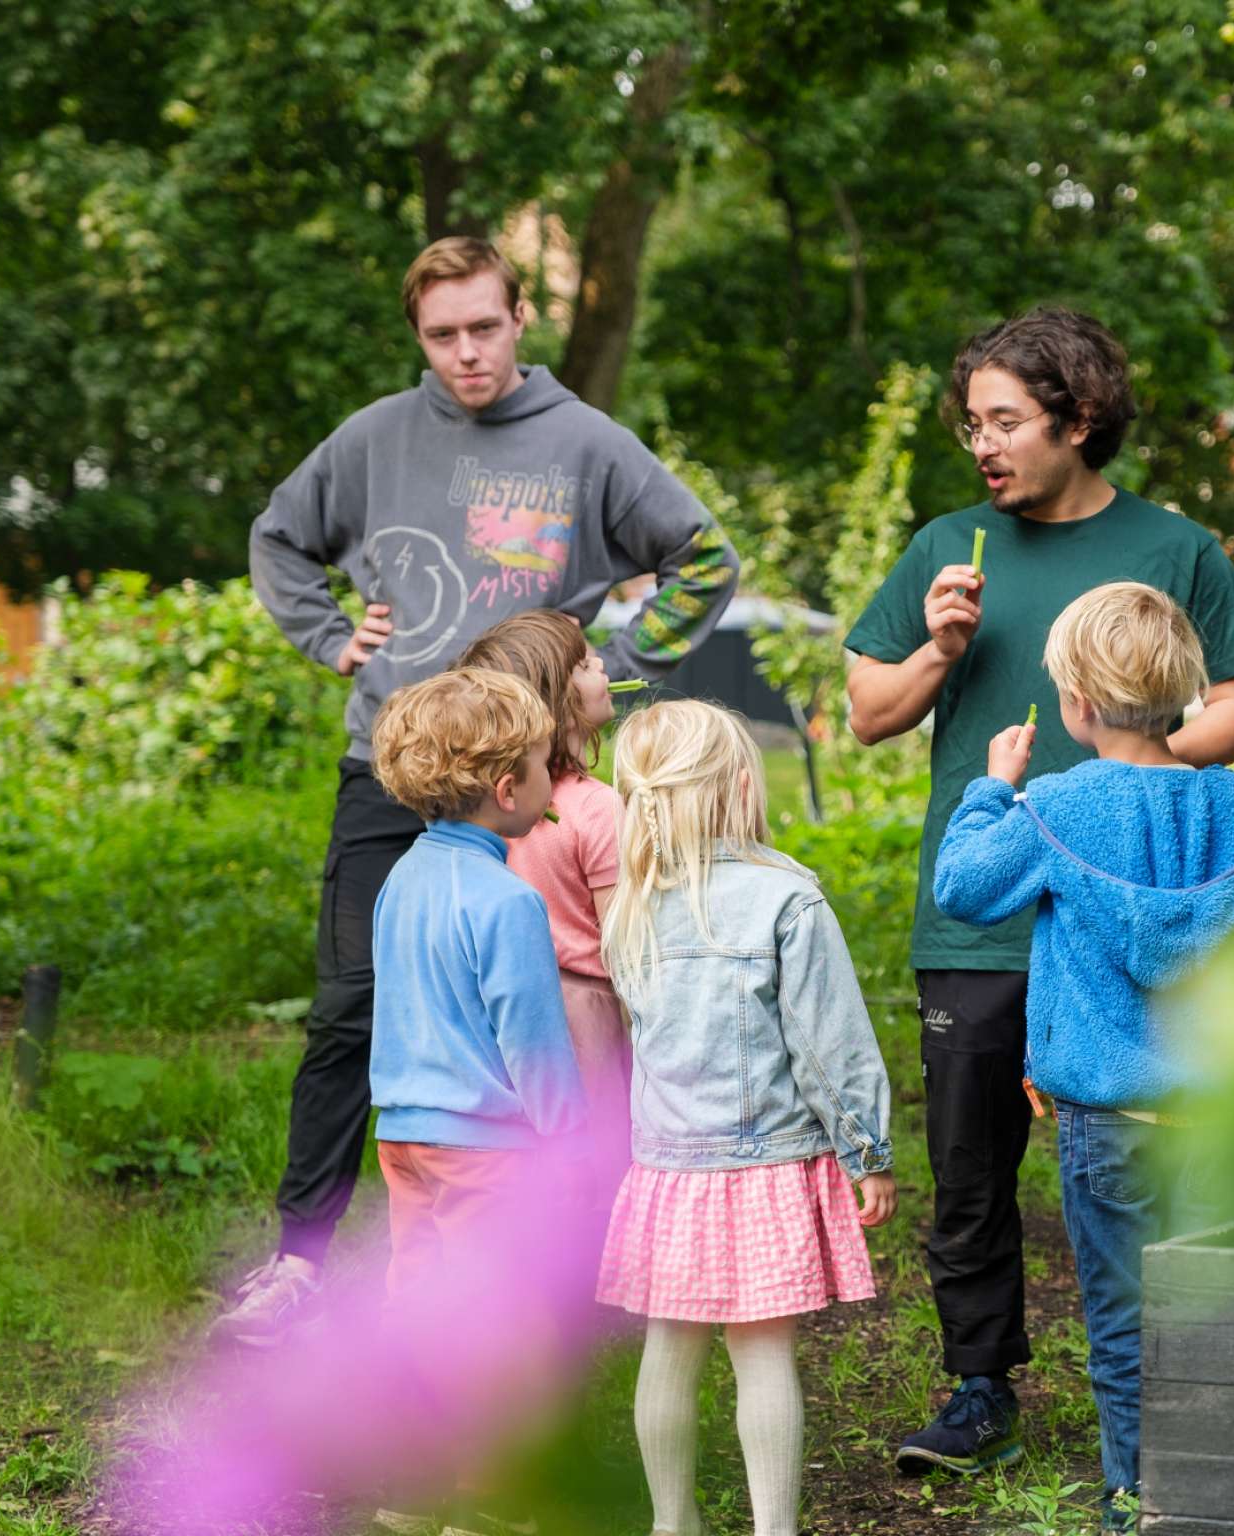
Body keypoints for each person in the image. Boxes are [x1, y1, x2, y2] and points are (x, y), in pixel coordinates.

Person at [226, 235, 738, 1344]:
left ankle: (582, 1241)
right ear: (419, 335)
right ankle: (300, 1261)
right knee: (349, 1006)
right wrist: (329, 634)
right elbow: (278, 538)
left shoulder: (585, 445)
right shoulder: (372, 438)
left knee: (569, 990)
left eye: (483, 326)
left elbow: (702, 556)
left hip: (529, 782)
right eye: (441, 333)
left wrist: (613, 665)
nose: (465, 351)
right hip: (391, 770)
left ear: (519, 318)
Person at [842, 307, 1234, 1472]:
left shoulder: (1177, 549)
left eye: (1005, 421)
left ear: (1076, 419)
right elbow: (866, 714)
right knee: (970, 1171)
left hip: (1115, 918)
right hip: (978, 919)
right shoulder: (946, 545)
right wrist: (934, 649)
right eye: (970, 423)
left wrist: (1121, 788)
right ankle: (980, 1392)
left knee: (1154, 1151)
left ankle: (1182, 1383)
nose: (981, 445)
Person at [931, 581, 1234, 1529]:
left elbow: (961, 888)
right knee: (1211, 1310)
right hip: (1211, 1113)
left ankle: (1136, 1498)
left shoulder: (1052, 809)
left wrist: (990, 787)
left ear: (1075, 704)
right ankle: (1217, 1492)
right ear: (1184, 694)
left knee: (1124, 1321)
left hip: (1105, 1122)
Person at [595, 700, 896, 1536]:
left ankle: (671, 1524)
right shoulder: (787, 901)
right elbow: (831, 1046)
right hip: (764, 1170)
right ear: (736, 785)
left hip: (668, 1172)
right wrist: (866, 1150)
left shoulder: (630, 911)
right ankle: (774, 1531)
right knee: (763, 1358)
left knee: (670, 1350)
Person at [364, 665, 588, 1536]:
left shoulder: (398, 882)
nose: (548, 778)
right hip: (487, 1147)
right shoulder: (508, 901)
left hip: (405, 1134)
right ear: (508, 789)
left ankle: (411, 1490)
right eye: (540, 764)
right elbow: (534, 1045)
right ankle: (492, 1503)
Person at [457, 609, 630, 1112]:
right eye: (582, 664)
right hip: (588, 1017)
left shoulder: (488, 807)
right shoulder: (598, 808)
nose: (600, 663)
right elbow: (625, 946)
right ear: (556, 701)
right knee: (597, 1164)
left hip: (508, 1012)